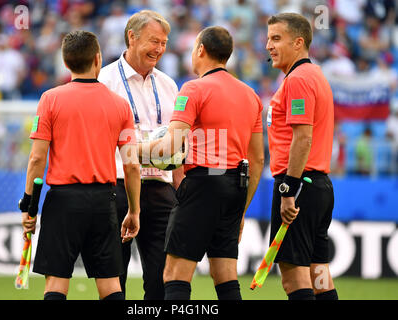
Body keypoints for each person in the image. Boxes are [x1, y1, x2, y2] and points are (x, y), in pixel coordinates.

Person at [139, 26, 264, 300]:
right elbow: (257, 159)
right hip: (236, 185)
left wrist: (133, 150)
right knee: (225, 275)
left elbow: (171, 146)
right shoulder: (250, 95)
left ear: (201, 50)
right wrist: (241, 209)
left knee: (174, 274)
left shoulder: (193, 89)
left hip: (203, 184)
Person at [19, 30, 141, 300]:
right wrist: (134, 210)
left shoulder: (50, 99)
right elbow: (131, 165)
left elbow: (37, 159)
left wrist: (29, 206)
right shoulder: (120, 105)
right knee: (110, 286)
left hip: (63, 202)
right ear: (98, 59)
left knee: (56, 284)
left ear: (65, 62)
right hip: (103, 201)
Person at [98, 10, 184, 300]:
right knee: (114, 278)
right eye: (153, 41)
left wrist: (180, 191)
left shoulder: (169, 85)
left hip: (161, 190)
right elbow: (98, 139)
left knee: (162, 279)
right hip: (117, 188)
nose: (159, 49)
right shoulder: (105, 80)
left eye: (164, 42)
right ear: (131, 37)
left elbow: (179, 143)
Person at [265, 13, 338, 300]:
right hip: (318, 185)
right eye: (268, 38)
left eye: (276, 38)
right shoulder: (315, 75)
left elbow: (303, 136)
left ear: (298, 43)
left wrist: (288, 189)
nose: (269, 45)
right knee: (319, 275)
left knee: (294, 280)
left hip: (298, 186)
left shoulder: (298, 79)